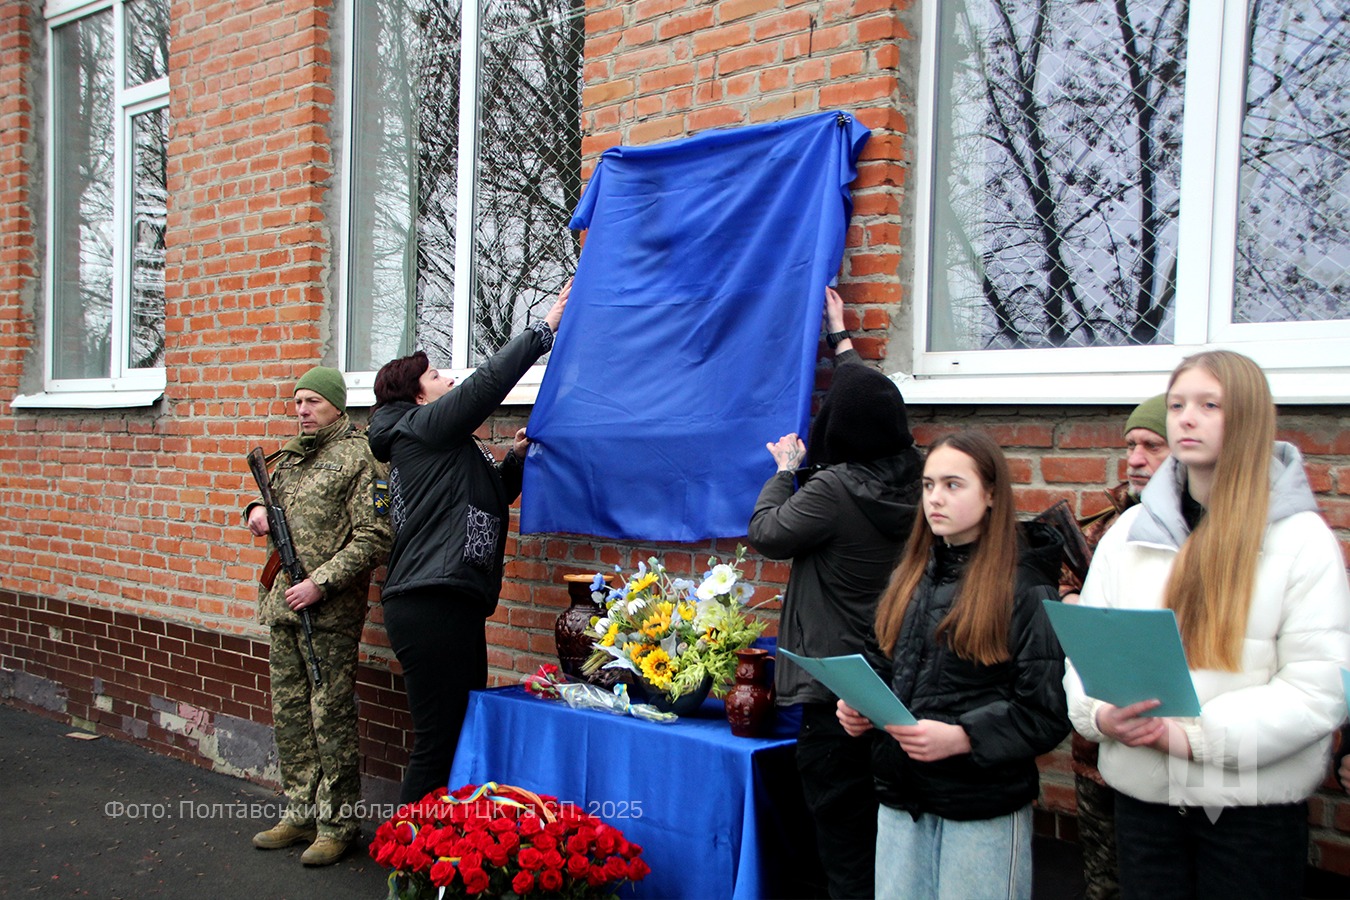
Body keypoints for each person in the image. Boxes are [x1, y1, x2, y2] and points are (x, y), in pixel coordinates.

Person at [1063, 350, 1350, 899]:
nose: (1185, 418)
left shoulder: (1299, 540)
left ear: (1246, 417)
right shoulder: (1129, 534)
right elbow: (1089, 654)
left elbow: (1318, 689)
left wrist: (1193, 737)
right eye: (1177, 405)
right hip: (1145, 805)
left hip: (1248, 816)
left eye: (1208, 405)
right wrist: (1102, 713)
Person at [838, 429, 1069, 900]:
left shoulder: (1024, 586)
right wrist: (859, 705)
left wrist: (964, 736)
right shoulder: (912, 576)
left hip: (980, 808)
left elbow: (1045, 710)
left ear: (990, 494)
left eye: (952, 485)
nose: (935, 498)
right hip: (903, 800)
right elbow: (882, 660)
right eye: (927, 485)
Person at [747, 286, 923, 899]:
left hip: (834, 698)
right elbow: (870, 409)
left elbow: (768, 533)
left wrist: (783, 473)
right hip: (894, 688)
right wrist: (841, 341)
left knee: (843, 858)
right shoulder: (921, 477)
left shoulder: (833, 491)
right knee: (887, 848)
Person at [368, 284, 568, 805]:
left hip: (448, 599)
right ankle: (406, 857)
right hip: (429, 602)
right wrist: (540, 332)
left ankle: (432, 850)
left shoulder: (449, 446)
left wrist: (517, 459)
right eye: (436, 376)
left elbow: (493, 497)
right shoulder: (419, 430)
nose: (449, 379)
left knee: (454, 730)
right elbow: (484, 386)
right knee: (438, 740)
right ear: (416, 395)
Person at [245, 366, 393, 866]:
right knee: (289, 716)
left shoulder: (361, 456)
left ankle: (338, 823)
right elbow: (268, 500)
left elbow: (374, 537)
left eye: (312, 401)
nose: (303, 410)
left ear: (336, 404)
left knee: (329, 716)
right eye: (298, 402)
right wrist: (253, 510)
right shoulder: (286, 458)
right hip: (283, 606)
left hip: (327, 612)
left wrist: (321, 583)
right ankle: (299, 812)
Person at [1061, 394, 1168, 900]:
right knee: (1104, 883)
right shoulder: (1106, 524)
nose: (1136, 458)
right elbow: (1062, 582)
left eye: (1152, 445)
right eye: (1131, 445)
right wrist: (1070, 594)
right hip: (1097, 744)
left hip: (1166, 744)